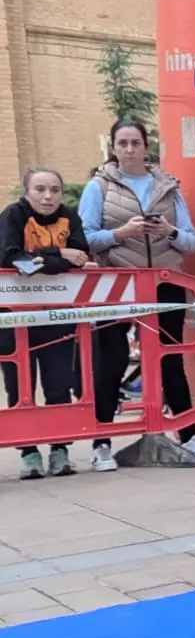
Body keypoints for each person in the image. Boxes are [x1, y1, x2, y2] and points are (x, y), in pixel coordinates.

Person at [79, 117, 195, 469]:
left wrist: (169, 231)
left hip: (165, 282)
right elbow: (84, 238)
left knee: (170, 356)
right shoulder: (98, 187)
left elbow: (190, 241)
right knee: (111, 359)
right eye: (122, 143)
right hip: (117, 282)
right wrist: (121, 233)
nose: (129, 150)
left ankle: (188, 435)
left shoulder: (168, 187)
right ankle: (101, 443)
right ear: (113, 148)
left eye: (135, 143)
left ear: (146, 147)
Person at [1, 168, 89, 479]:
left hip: (57, 315)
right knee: (20, 387)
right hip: (13, 318)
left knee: (59, 384)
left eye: (54, 189)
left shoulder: (70, 216)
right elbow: (11, 259)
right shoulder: (13, 216)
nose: (48, 196)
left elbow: (81, 257)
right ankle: (28, 453)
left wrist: (41, 260)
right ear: (27, 191)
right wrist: (59, 253)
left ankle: (60, 450)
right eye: (40, 189)